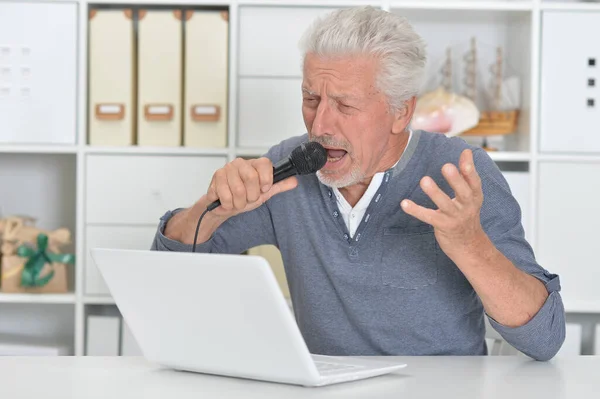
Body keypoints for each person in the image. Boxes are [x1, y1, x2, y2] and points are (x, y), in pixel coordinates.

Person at [152, 6, 565, 361]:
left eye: (345, 105)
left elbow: (544, 339)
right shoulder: (288, 169)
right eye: (311, 99)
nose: (320, 124)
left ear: (401, 113)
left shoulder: (460, 171)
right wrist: (211, 208)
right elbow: (163, 279)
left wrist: (471, 247)